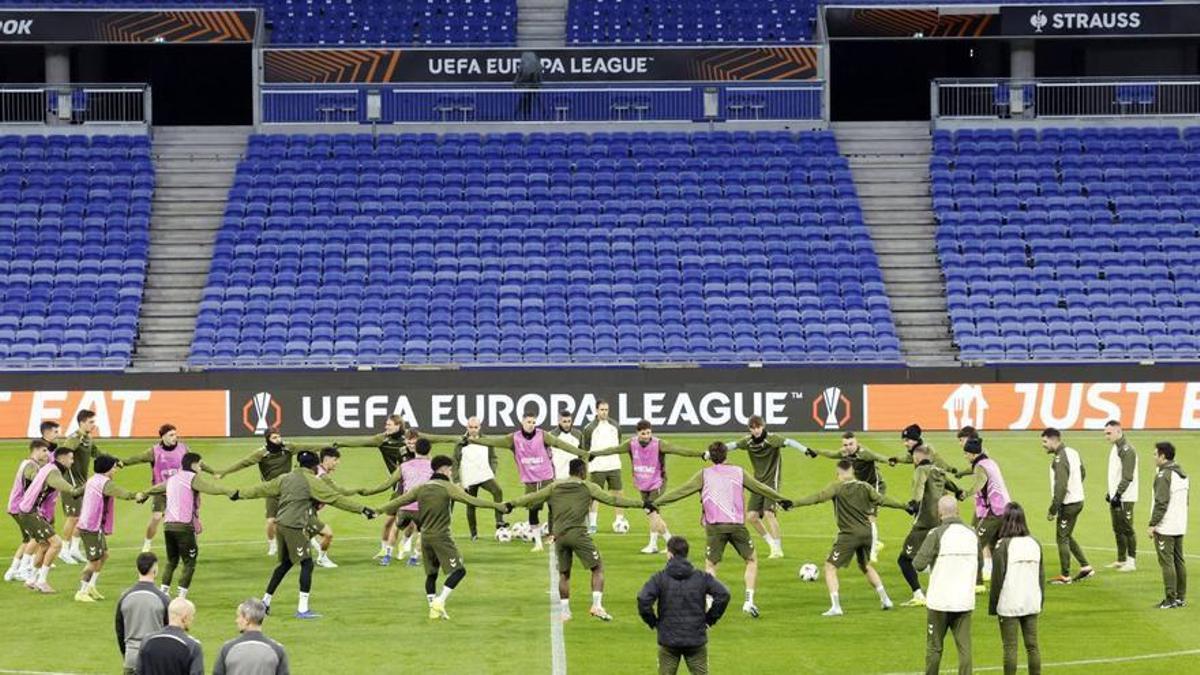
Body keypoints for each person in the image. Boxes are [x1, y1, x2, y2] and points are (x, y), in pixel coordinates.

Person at [651, 442, 794, 618]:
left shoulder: (704, 475)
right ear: (726, 455)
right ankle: (749, 601)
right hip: (736, 525)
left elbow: (681, 491)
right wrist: (781, 499)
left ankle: (710, 601)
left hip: (714, 527)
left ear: (710, 457)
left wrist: (655, 503)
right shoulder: (738, 472)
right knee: (751, 560)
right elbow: (760, 487)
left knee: (711, 565)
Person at [234, 451, 377, 618]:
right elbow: (336, 499)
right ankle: (302, 609)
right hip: (295, 526)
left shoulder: (285, 478)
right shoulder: (311, 481)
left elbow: (261, 489)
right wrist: (362, 510)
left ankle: (265, 602)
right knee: (307, 564)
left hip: (281, 524)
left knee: (285, 564)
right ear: (315, 465)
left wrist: (239, 494)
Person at [508, 458, 642, 621]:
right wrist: (642, 504)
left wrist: (510, 504)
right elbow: (613, 500)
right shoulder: (588, 487)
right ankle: (597, 606)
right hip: (578, 534)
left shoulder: (554, 486)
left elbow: (532, 497)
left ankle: (565, 612)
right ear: (582, 472)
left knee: (564, 574)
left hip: (559, 536)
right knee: (597, 568)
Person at [378, 454, 507, 620]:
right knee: (459, 571)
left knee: (432, 575)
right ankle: (440, 601)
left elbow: (398, 501)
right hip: (442, 537)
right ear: (444, 469)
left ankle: (433, 610)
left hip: (425, 537)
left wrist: (377, 510)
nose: (451, 472)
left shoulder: (420, 487)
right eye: (451, 469)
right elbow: (472, 501)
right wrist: (498, 506)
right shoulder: (447, 487)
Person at [331, 416, 461, 558]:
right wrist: (341, 443)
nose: (386, 427)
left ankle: (405, 543)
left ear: (399, 425)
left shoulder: (420, 448)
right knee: (389, 521)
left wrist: (457, 439)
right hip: (399, 487)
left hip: (417, 491)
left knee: (413, 522)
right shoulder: (387, 442)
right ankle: (384, 549)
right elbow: (362, 442)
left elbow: (438, 439)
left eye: (389, 424)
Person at [792, 459, 908, 615]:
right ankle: (885, 599)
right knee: (865, 565)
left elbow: (818, 497)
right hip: (868, 532)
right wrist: (905, 506)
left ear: (838, 473)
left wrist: (794, 503)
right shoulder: (865, 486)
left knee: (829, 567)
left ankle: (836, 607)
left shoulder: (837, 487)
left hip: (849, 535)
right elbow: (882, 500)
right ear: (852, 471)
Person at [472, 412, 589, 552]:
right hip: (530, 481)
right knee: (533, 511)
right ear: (522, 422)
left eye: (533, 422)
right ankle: (538, 543)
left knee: (554, 508)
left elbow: (560, 444)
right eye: (529, 422)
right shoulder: (513, 438)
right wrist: (472, 440)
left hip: (547, 478)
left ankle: (553, 537)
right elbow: (493, 441)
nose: (531, 425)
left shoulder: (543, 435)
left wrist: (581, 453)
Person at [590, 419, 707, 554]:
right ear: (637, 433)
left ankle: (657, 544)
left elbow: (679, 450)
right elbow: (613, 449)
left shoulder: (659, 444)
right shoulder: (631, 444)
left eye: (648, 433)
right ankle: (668, 543)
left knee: (651, 511)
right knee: (652, 514)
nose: (646, 436)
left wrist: (701, 454)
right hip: (642, 483)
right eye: (643, 433)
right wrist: (595, 454)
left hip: (657, 482)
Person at [215, 428, 325, 557]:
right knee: (271, 521)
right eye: (274, 437)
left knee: (301, 518)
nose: (278, 440)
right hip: (271, 490)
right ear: (268, 439)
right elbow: (243, 463)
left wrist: (329, 447)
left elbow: (308, 447)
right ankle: (272, 544)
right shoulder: (261, 453)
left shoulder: (288, 448)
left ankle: (313, 542)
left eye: (279, 436)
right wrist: (225, 472)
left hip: (288, 488)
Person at [142, 452, 236, 598]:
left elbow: (157, 488)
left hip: (168, 526)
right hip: (184, 526)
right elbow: (210, 488)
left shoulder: (172, 479)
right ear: (193, 465)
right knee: (189, 562)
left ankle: (163, 592)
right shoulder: (192, 478)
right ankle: (181, 596)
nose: (200, 468)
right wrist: (229, 491)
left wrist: (144, 494)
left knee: (171, 561)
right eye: (200, 465)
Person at [719, 415, 810, 559]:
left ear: (763, 426)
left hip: (771, 481)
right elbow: (732, 446)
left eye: (758, 427)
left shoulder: (772, 439)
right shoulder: (748, 441)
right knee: (752, 517)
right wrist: (711, 452)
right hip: (757, 482)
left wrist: (805, 450)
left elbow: (790, 442)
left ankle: (778, 549)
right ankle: (772, 544)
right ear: (749, 429)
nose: (756, 431)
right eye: (753, 428)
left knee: (769, 513)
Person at [637, 536, 730, 675]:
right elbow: (723, 594)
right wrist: (710, 619)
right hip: (695, 638)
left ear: (669, 554)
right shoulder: (701, 577)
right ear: (686, 553)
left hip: (668, 640)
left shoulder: (660, 578)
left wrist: (654, 622)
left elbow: (643, 599)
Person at [120, 424, 213, 554]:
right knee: (157, 517)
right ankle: (147, 543)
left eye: (175, 434)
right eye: (171, 435)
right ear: (163, 437)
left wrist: (213, 471)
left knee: (188, 520)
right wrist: (123, 462)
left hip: (180, 492)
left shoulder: (183, 448)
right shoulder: (154, 451)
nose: (175, 437)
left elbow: (198, 462)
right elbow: (138, 458)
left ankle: (191, 547)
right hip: (161, 491)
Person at [914, 495, 978, 675]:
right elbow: (980, 564)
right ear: (957, 511)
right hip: (964, 600)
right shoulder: (972, 533)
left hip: (939, 602)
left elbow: (918, 565)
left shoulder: (936, 534)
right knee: (965, 648)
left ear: (939, 513)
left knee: (934, 648)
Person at [806, 431, 894, 561]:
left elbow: (878, 456)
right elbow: (831, 454)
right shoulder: (844, 453)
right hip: (860, 489)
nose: (848, 447)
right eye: (845, 444)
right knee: (857, 516)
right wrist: (815, 451)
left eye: (851, 444)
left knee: (870, 517)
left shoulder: (864, 453)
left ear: (856, 442)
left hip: (874, 486)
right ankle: (872, 543)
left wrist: (889, 461)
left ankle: (872, 553)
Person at [898, 442, 961, 607]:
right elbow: (950, 483)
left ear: (917, 459)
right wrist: (959, 491)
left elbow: (919, 486)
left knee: (904, 560)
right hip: (940, 522)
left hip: (924, 524)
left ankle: (918, 594)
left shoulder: (921, 470)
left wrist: (914, 503)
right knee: (937, 558)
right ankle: (945, 592)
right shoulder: (938, 470)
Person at [75, 454, 145, 603]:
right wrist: (136, 495)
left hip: (93, 524)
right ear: (107, 468)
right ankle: (81, 592)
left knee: (104, 555)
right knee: (94, 561)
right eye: (113, 467)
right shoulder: (105, 483)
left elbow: (78, 492)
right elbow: (122, 493)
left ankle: (91, 586)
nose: (115, 469)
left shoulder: (93, 480)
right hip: (90, 526)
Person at [16, 444, 83, 593]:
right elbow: (70, 489)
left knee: (45, 545)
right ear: (63, 458)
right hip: (30, 512)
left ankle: (31, 579)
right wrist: (88, 486)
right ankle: (41, 581)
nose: (72, 462)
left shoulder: (49, 468)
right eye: (71, 458)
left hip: (28, 511)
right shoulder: (53, 472)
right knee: (57, 544)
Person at [360, 437, 435, 566]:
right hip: (424, 507)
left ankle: (387, 556)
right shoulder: (434, 466)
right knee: (422, 532)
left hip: (405, 505)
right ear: (429, 451)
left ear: (415, 449)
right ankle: (413, 558)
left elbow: (387, 484)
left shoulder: (404, 466)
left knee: (395, 528)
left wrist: (368, 491)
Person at [988, 503, 1044, 675]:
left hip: (1009, 602)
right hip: (1031, 601)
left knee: (1010, 647)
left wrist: (993, 606)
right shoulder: (1035, 543)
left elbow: (997, 578)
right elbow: (1040, 576)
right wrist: (1040, 601)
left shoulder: (1003, 545)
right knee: (1032, 646)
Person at [1040, 428, 1093, 583]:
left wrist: (1053, 509)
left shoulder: (1060, 459)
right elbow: (1082, 472)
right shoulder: (1072, 452)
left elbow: (1060, 486)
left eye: (1045, 442)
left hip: (1068, 503)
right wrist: (1076, 486)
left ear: (1053, 440)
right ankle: (1085, 567)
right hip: (1078, 500)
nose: (1043, 445)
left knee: (1061, 537)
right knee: (1067, 535)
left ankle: (1065, 576)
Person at [960, 436, 1011, 591]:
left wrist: (966, 494)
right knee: (996, 546)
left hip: (995, 511)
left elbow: (980, 481)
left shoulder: (980, 466)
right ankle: (1004, 580)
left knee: (976, 544)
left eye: (966, 453)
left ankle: (978, 583)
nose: (965, 456)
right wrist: (961, 473)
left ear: (973, 455)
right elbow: (974, 471)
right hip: (1005, 508)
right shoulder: (989, 462)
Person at [5, 435, 52, 582]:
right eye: (44, 451)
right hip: (21, 508)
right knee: (36, 538)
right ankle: (23, 570)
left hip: (16, 506)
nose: (47, 454)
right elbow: (33, 479)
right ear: (36, 450)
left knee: (27, 540)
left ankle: (12, 571)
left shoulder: (27, 463)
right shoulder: (31, 466)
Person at [451, 417, 506, 540]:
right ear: (467, 427)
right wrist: (457, 481)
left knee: (497, 491)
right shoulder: (461, 442)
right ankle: (474, 534)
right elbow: (455, 462)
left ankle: (499, 522)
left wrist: (492, 471)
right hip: (469, 478)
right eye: (471, 427)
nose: (473, 430)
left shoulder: (486, 440)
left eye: (476, 427)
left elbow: (493, 457)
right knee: (471, 504)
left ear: (480, 427)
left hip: (484, 476)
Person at [116, 552, 171, 675]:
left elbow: (120, 630)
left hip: (131, 657)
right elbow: (169, 632)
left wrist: (127, 654)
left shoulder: (125, 596)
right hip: (155, 658)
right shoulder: (163, 598)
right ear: (155, 569)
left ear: (137, 569)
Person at [57, 409, 100, 565]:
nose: (93, 425)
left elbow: (97, 453)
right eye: (91, 422)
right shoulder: (73, 439)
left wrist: (113, 461)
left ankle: (74, 548)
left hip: (83, 484)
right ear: (82, 422)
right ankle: (64, 550)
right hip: (71, 484)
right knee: (73, 517)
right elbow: (61, 454)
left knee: (83, 517)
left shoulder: (88, 438)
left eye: (93, 422)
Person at [1149, 441, 1189, 609]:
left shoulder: (1164, 475)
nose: (1153, 457)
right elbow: (1186, 501)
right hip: (1180, 523)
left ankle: (1170, 599)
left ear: (1163, 456)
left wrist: (1153, 524)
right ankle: (1180, 597)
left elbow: (1161, 503)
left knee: (1167, 562)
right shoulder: (1183, 474)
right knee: (1179, 560)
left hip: (1166, 525)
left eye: (1155, 454)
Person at [583, 399, 627, 535]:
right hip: (597, 467)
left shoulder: (615, 425)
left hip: (614, 465)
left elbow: (618, 443)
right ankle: (593, 523)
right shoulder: (589, 428)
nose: (604, 412)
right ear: (596, 410)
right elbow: (586, 448)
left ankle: (619, 521)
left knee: (618, 493)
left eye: (606, 410)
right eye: (602, 409)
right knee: (595, 495)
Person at [212, 598, 289, 675]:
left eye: (239, 616)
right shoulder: (277, 650)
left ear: (247, 619)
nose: (236, 621)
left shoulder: (228, 649)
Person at [309, 447, 357, 568]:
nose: (337, 463)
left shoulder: (315, 470)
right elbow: (339, 491)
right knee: (327, 534)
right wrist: (360, 491)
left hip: (308, 510)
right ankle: (322, 558)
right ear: (326, 459)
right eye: (335, 460)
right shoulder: (321, 475)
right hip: (302, 511)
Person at [1103, 420, 1139, 572]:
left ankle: (1131, 562)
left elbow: (1127, 476)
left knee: (1127, 528)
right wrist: (1111, 493)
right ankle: (1121, 559)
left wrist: (1118, 494)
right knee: (1117, 527)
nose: (1106, 436)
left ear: (1119, 431)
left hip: (1126, 497)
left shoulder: (1127, 450)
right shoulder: (1115, 448)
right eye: (1105, 433)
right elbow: (1115, 474)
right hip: (1116, 495)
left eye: (1109, 433)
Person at [137, 597, 203, 675]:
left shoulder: (147, 641)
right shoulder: (192, 646)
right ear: (184, 618)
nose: (192, 619)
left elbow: (138, 671)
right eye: (192, 616)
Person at [891, 423, 966, 477]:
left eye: (907, 440)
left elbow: (938, 462)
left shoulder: (922, 451)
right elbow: (910, 458)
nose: (905, 444)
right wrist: (897, 459)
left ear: (915, 439)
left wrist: (950, 469)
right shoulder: (916, 450)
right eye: (904, 441)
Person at [548, 408, 586, 480]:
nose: (567, 424)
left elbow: (582, 455)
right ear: (559, 421)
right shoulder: (551, 435)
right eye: (564, 422)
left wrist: (582, 473)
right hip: (557, 477)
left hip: (575, 477)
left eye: (569, 421)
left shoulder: (578, 434)